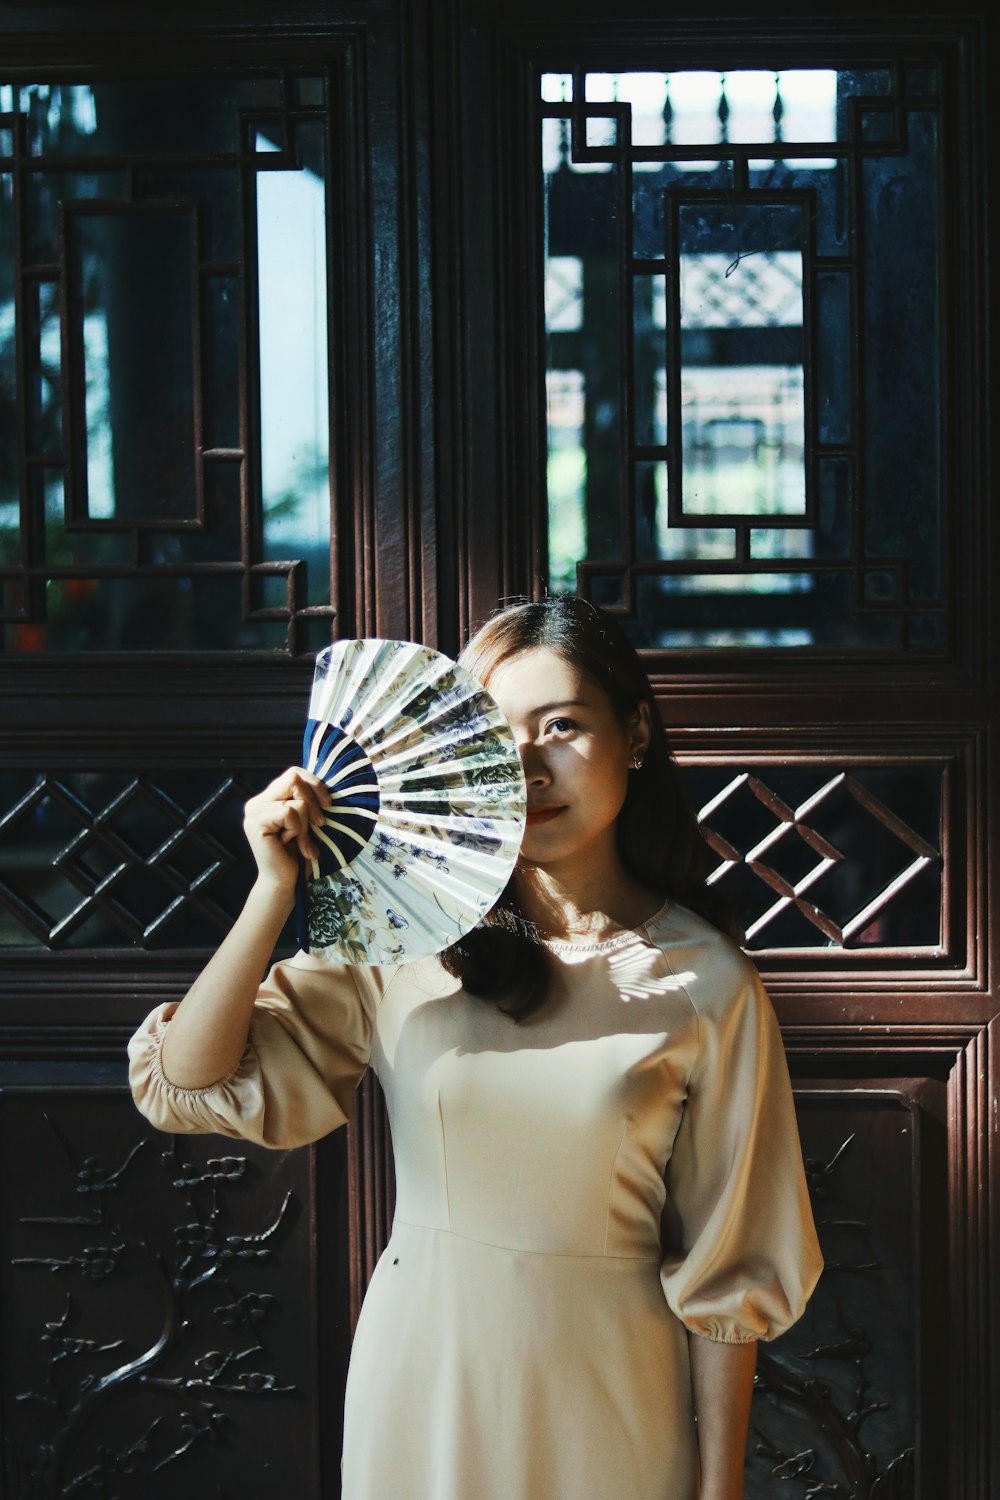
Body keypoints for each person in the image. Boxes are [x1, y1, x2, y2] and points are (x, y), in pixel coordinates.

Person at [129, 596, 822, 1500]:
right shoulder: (401, 934)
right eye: (495, 736)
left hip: (612, 1393)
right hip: (425, 1372)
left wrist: (719, 1487)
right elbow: (187, 1082)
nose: (529, 766)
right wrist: (274, 891)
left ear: (636, 731)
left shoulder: (708, 981)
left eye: (563, 725)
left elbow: (733, 1272)